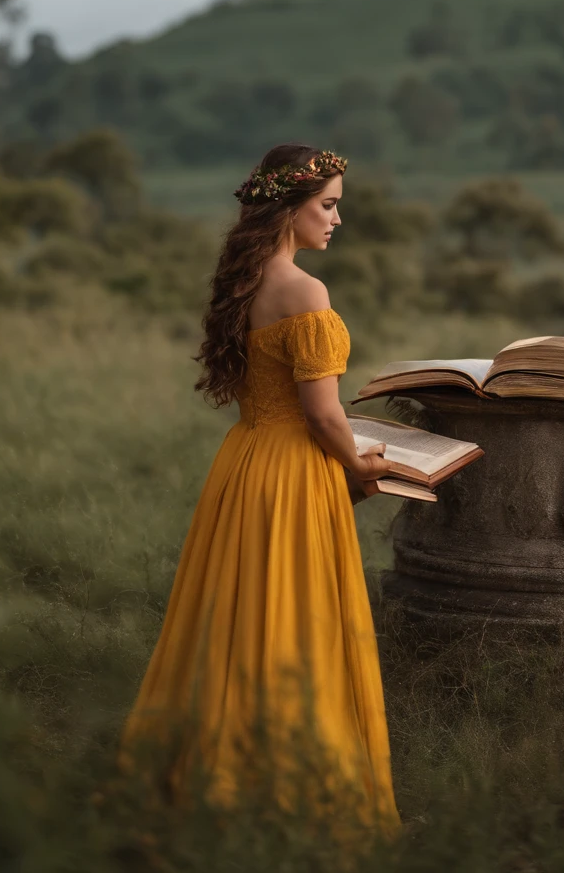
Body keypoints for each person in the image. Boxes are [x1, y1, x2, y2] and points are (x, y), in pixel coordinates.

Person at [114, 142, 402, 837]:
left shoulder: (242, 281)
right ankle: (288, 791)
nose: (338, 219)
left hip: (245, 463)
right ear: (289, 206)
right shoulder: (306, 292)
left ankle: (214, 776)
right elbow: (323, 413)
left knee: (238, 616)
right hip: (294, 472)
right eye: (328, 205)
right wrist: (362, 465)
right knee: (296, 621)